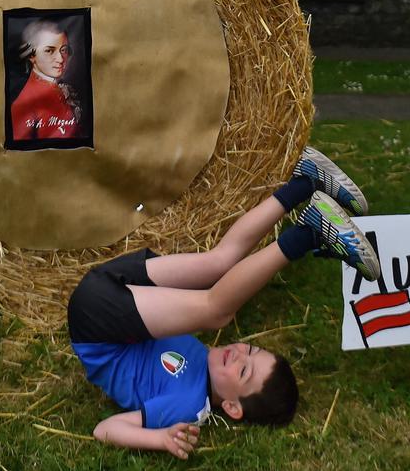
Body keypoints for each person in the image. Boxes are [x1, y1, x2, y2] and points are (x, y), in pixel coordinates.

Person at [68, 147, 378, 458]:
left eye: (244, 372)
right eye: (252, 351)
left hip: (96, 325)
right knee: (219, 262)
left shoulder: (187, 405)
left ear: (231, 407)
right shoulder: (200, 357)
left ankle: (310, 233)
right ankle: (306, 182)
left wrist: (161, 438)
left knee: (216, 311)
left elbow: (105, 429)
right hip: (113, 294)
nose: (240, 354)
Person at [10, 19, 82, 141]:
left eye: (63, 50)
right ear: (32, 56)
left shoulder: (57, 87)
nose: (60, 59)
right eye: (49, 51)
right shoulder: (24, 103)